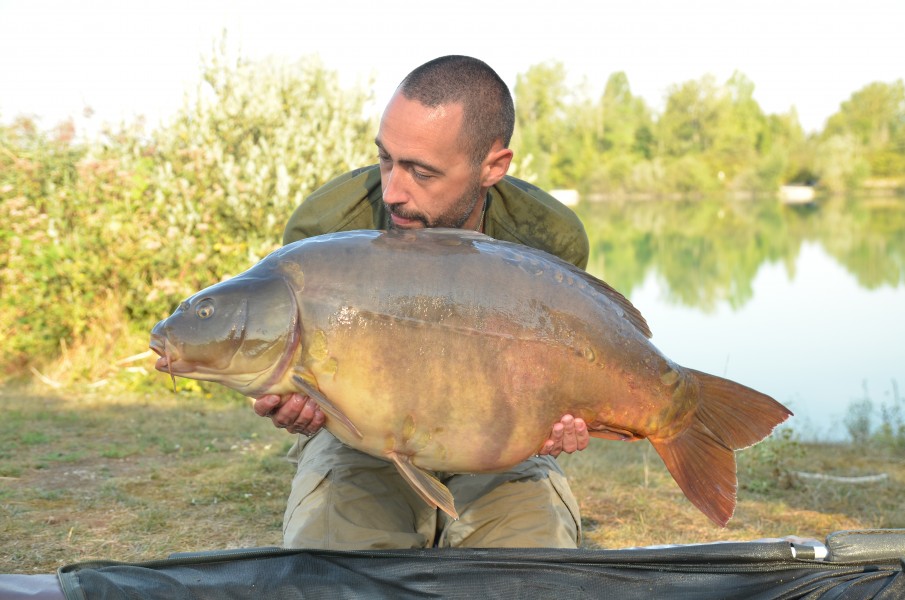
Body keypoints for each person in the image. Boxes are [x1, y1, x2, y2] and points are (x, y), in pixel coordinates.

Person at [254, 55, 591, 550]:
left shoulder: (546, 242)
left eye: (422, 173)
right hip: (360, 438)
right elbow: (291, 364)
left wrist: (564, 418)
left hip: (497, 439)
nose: (392, 191)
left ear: (492, 167)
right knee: (332, 568)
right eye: (386, 158)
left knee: (531, 567)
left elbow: (564, 381)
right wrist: (298, 406)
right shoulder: (326, 229)